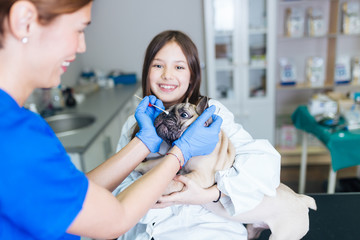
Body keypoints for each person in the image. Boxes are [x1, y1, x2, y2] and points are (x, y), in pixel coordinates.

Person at [0, 2, 223, 240]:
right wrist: (180, 153)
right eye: (78, 29)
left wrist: (146, 141)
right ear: (24, 21)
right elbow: (115, 219)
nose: (82, 46)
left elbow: (74, 191)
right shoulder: (14, 136)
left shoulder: (15, 126)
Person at [113, 30, 281, 239]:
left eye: (179, 67)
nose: (167, 74)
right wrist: (142, 146)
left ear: (192, 75)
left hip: (212, 228)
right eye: (158, 65)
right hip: (152, 230)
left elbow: (265, 164)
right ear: (147, 71)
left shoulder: (211, 113)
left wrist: (209, 194)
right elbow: (117, 193)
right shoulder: (134, 123)